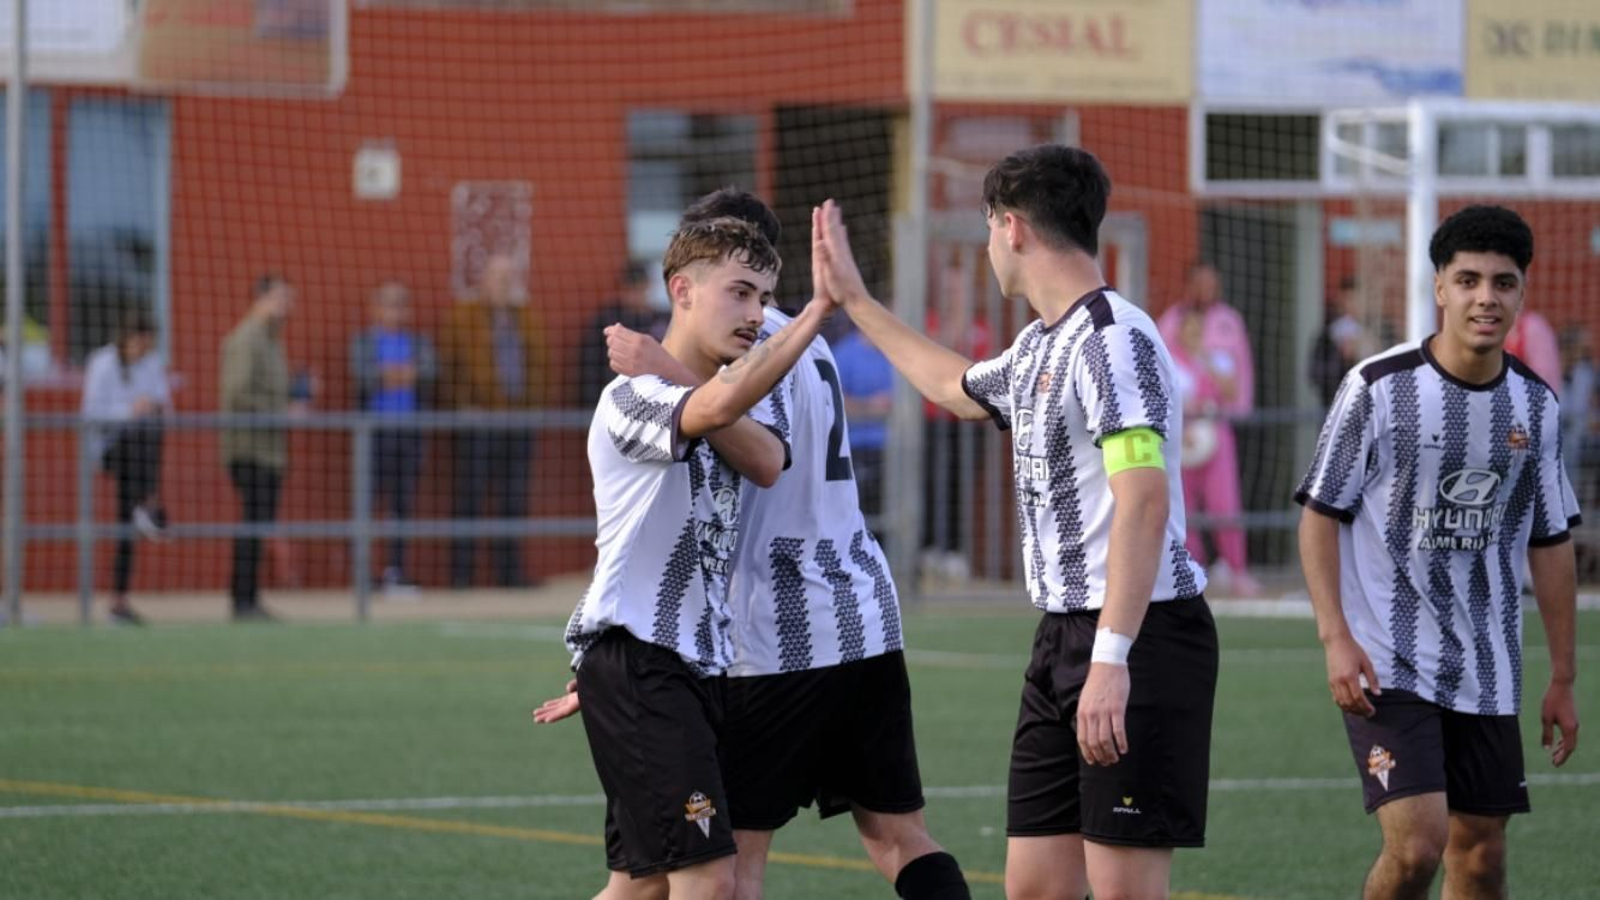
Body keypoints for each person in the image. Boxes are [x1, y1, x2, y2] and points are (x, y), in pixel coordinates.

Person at [540, 191, 972, 900]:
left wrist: (666, 362)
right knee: (894, 837)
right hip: (857, 609)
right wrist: (616, 650)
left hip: (772, 632)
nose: (748, 306)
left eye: (755, 289)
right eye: (738, 289)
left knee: (718, 869)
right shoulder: (780, 346)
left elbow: (757, 448)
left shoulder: (756, 346)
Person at [813, 145, 1216, 900]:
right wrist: (856, 302)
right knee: (1034, 889)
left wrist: (1111, 659)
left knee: (1125, 889)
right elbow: (952, 387)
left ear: (1011, 227)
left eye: (988, 228)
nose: (990, 245)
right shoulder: (1040, 345)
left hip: (1139, 636)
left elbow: (1146, 499)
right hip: (1061, 636)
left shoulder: (1113, 339)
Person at [1295, 205, 1580, 900]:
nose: (1487, 297)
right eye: (1470, 279)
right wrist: (1335, 636)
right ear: (1441, 289)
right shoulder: (1377, 388)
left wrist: (1564, 676)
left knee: (1480, 857)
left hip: (1488, 663)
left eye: (1504, 283)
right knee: (1419, 845)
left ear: (1520, 293)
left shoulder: (1536, 406)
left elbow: (1551, 541)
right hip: (1386, 661)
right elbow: (1318, 514)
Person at [561, 215, 837, 900]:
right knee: (711, 881)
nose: (757, 315)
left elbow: (768, 457)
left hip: (688, 669)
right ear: (681, 290)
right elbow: (709, 410)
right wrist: (821, 313)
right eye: (740, 293)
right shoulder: (633, 394)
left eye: (768, 300)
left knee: (642, 886)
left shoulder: (716, 399)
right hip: (643, 664)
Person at [439, 252, 547, 588]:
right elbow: (448, 369)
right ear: (482, 282)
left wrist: (533, 408)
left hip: (517, 420)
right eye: (497, 278)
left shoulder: (525, 317)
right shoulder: (463, 317)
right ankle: (462, 575)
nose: (503, 285)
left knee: (513, 498)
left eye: (508, 279)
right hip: (478, 421)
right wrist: (463, 407)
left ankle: (510, 573)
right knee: (469, 497)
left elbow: (540, 365)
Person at [1157, 261, 1258, 596]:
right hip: (1180, 441)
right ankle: (1189, 570)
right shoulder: (1169, 342)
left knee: (1224, 504)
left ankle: (1237, 568)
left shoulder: (1222, 336)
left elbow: (1233, 386)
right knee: (1182, 508)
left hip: (1215, 437)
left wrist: (1205, 359)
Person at [81, 309, 172, 625]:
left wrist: (152, 407)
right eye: (138, 345)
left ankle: (118, 603)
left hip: (139, 456)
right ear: (127, 339)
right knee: (138, 434)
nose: (142, 352)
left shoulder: (151, 364)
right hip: (110, 449)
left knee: (126, 524)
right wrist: (129, 410)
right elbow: (92, 413)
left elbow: (166, 405)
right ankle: (149, 502)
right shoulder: (102, 363)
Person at [350, 280, 438, 594]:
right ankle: (362, 573)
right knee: (368, 502)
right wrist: (402, 374)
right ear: (375, 309)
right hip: (373, 436)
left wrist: (391, 374)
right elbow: (364, 375)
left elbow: (428, 372)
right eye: (389, 304)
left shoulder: (418, 342)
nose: (396, 311)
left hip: (408, 434)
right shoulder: (364, 342)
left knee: (402, 505)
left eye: (402, 304)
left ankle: (395, 572)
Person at [220, 274, 298, 622]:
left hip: (270, 449)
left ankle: (249, 597)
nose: (287, 307)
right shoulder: (247, 338)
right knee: (252, 522)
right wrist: (282, 412)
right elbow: (237, 394)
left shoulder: (273, 340)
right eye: (281, 298)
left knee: (259, 522)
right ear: (261, 298)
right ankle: (242, 600)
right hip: (249, 449)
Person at [577, 259, 667, 408]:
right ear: (622, 290)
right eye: (631, 289)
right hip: (614, 403)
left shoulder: (660, 320)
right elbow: (590, 368)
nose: (636, 295)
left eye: (640, 288)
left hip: (655, 402)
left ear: (647, 287)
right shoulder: (607, 321)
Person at [831, 320, 893, 523]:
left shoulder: (895, 355)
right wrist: (870, 407)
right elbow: (832, 400)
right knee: (860, 515)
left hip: (896, 450)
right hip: (856, 448)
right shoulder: (844, 353)